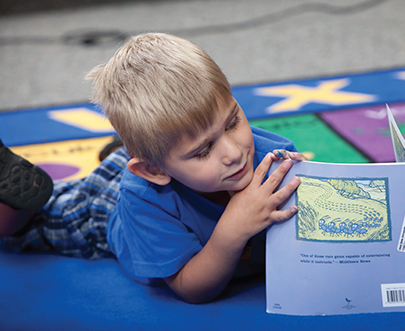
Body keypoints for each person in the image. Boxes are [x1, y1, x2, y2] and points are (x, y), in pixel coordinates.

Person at [0, 33, 307, 304]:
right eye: (203, 151)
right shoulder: (143, 197)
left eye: (233, 123)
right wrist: (233, 229)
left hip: (159, 163)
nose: (233, 152)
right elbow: (191, 288)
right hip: (104, 207)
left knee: (165, 149)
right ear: (154, 171)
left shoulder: (276, 161)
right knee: (30, 224)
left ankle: (133, 148)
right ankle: (10, 208)